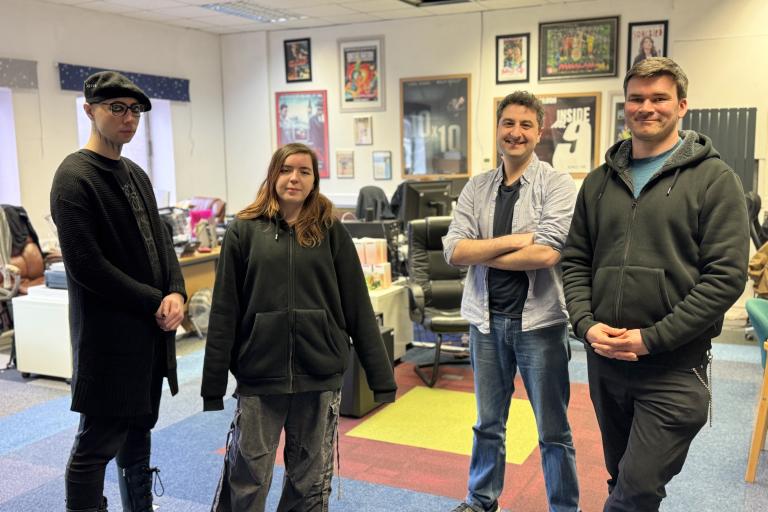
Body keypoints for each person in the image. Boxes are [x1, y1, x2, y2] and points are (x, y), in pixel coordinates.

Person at [561, 57, 749, 511]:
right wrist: (585, 324)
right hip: (606, 362)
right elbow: (575, 260)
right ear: (625, 106)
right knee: (620, 476)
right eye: (636, 98)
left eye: (659, 98)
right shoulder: (598, 182)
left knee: (637, 490)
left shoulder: (714, 179)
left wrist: (653, 338)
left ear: (682, 105)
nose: (646, 107)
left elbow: (724, 278)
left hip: (673, 367)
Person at [201, 143, 397, 511]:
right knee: (248, 476)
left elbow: (357, 306)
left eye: (304, 171)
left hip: (318, 373)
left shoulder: (331, 232)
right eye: (287, 169)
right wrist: (213, 385)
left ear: (314, 180)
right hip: (259, 373)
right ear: (274, 174)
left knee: (309, 480)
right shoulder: (242, 231)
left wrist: (381, 379)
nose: (295, 178)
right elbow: (224, 311)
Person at [50, 71, 187, 512]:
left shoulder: (136, 173)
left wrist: (178, 293)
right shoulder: (74, 177)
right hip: (109, 340)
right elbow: (87, 267)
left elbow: (163, 245)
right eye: (117, 108)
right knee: (96, 445)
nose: (129, 118)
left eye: (135, 111)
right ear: (90, 111)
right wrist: (155, 300)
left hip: (149, 337)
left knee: (138, 436)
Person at [443, 91, 579, 512]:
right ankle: (481, 500)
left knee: (553, 430)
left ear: (539, 132)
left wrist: (482, 248)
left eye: (525, 125)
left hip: (539, 324)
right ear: (498, 128)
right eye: (508, 123)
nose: (515, 133)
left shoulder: (557, 184)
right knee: (487, 424)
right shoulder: (477, 186)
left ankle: (564, 507)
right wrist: (516, 241)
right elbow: (453, 251)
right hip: (485, 323)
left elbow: (548, 252)